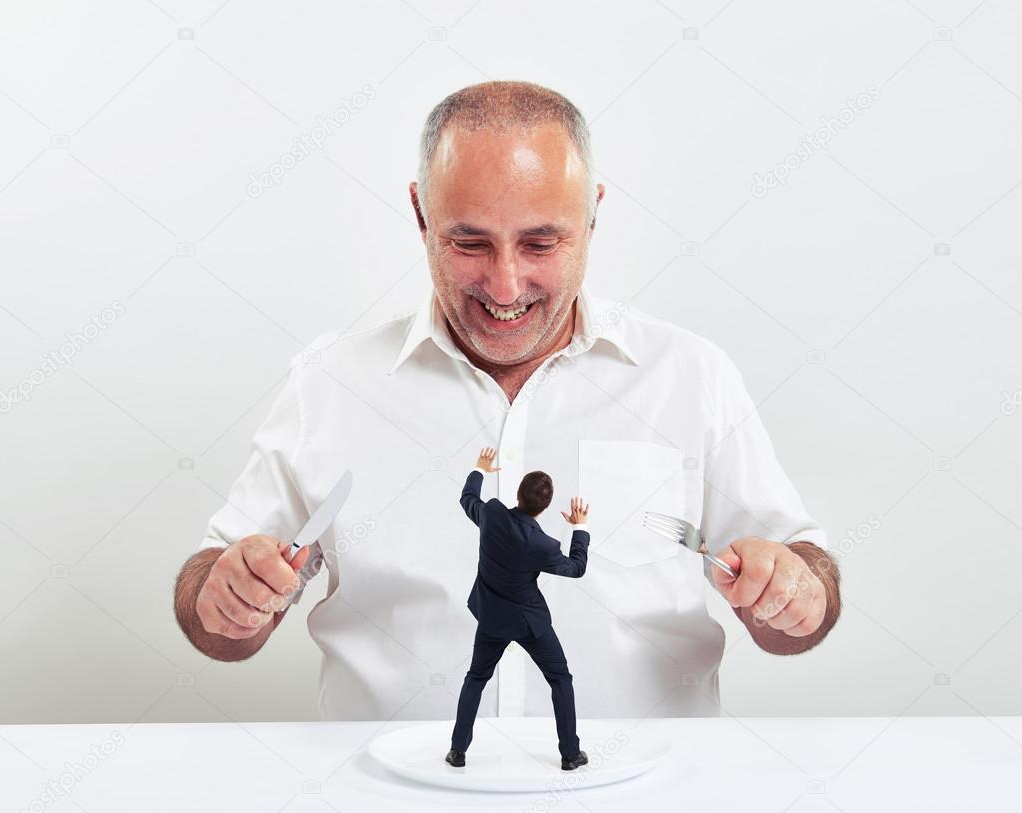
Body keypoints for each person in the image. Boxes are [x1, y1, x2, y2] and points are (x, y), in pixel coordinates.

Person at [174, 80, 841, 725]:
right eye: (468, 242)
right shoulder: (329, 383)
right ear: (419, 215)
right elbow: (217, 619)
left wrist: (790, 593)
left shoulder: (690, 375)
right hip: (383, 797)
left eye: (540, 242)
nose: (505, 283)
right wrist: (227, 597)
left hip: (641, 797)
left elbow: (797, 605)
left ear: (592, 214)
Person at [447, 447, 590, 770]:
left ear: (517, 494)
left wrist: (480, 469)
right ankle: (570, 754)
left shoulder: (493, 514)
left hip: (492, 619)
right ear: (547, 507)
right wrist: (579, 528)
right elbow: (576, 567)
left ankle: (457, 751)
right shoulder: (543, 545)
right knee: (560, 679)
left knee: (476, 678)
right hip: (529, 623)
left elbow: (468, 499)